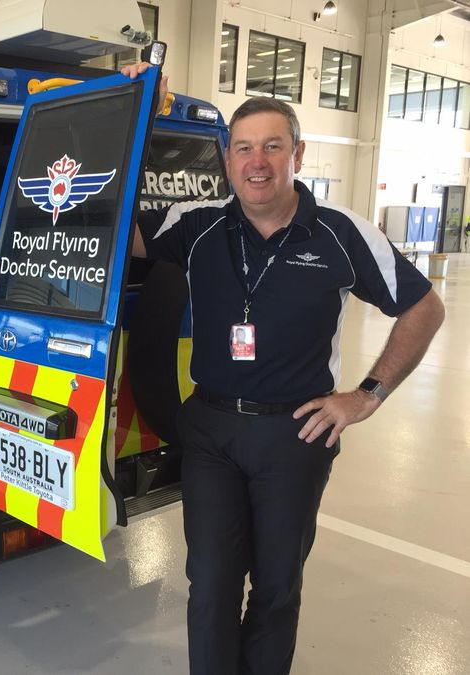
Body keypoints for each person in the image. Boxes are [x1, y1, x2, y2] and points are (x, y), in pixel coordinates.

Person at [122, 62, 445, 674]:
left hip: (296, 435)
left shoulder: (341, 233)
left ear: (297, 153)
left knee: (276, 589)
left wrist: (366, 396)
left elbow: (424, 307)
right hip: (212, 431)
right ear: (227, 160)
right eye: (243, 148)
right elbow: (119, 234)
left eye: (272, 146)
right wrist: (134, 107)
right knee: (211, 584)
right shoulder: (195, 227)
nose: (257, 161)